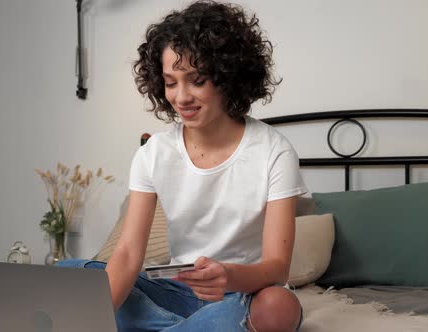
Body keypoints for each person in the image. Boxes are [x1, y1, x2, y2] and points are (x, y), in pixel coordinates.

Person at [58, 1, 307, 331]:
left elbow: (277, 269)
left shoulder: (274, 151)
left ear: (228, 76)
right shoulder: (154, 153)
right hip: (174, 291)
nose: (181, 97)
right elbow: (129, 254)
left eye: (197, 79)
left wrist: (227, 275)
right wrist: (94, 318)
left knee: (279, 307)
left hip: (241, 293)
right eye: (171, 82)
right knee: (69, 273)